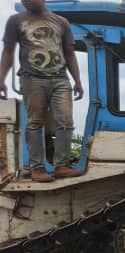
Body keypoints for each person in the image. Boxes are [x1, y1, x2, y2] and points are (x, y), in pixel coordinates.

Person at [0, 0, 84, 183]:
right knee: (35, 122)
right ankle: (36, 168)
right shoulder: (16, 21)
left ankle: (61, 166)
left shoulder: (61, 22)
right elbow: (8, 51)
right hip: (32, 78)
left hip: (61, 78)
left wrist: (77, 80)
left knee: (66, 121)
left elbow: (69, 52)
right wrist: (1, 80)